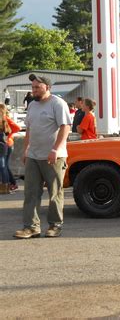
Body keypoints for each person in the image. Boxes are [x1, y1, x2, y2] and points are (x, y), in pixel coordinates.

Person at [14, 74, 72, 239]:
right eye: (32, 87)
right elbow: (29, 130)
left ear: (47, 87)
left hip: (53, 156)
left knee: (54, 193)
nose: (34, 90)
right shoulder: (32, 105)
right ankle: (31, 227)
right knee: (31, 192)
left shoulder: (58, 103)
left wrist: (55, 149)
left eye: (37, 87)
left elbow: (65, 127)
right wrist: (26, 150)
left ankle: (55, 225)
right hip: (33, 156)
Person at [0, 103, 20, 191]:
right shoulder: (5, 118)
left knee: (3, 165)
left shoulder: (5, 118)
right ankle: (12, 183)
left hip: (6, 144)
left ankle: (7, 185)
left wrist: (9, 135)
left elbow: (17, 128)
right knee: (5, 165)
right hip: (7, 144)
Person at [0, 107, 12, 194]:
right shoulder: (4, 121)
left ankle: (4, 187)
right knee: (4, 167)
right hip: (4, 146)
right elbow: (8, 132)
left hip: (1, 147)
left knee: (3, 167)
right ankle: (6, 187)